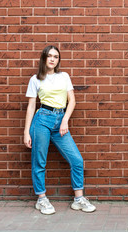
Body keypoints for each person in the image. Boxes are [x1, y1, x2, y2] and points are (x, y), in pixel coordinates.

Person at [24, 45, 96, 215]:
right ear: (44, 58)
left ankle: (78, 199)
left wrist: (65, 120)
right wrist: (26, 132)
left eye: (55, 57)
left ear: (58, 60)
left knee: (77, 160)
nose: (52, 59)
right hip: (41, 120)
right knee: (39, 162)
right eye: (49, 56)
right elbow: (31, 105)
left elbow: (72, 101)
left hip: (60, 121)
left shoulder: (64, 76)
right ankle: (41, 199)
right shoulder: (36, 79)